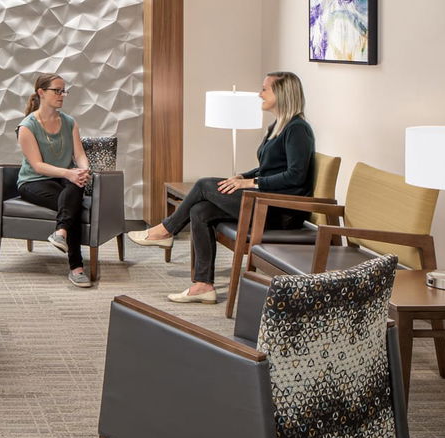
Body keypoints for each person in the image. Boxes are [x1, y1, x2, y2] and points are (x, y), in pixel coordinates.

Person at [133, 71, 313, 304]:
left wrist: (250, 183)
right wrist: (243, 176)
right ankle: (203, 285)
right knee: (200, 211)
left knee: (204, 185)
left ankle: (166, 230)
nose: (260, 94)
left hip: (280, 211)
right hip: (264, 202)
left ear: (283, 93)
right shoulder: (278, 126)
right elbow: (269, 168)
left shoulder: (298, 129)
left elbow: (296, 176)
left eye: (265, 89)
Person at [14, 72, 94, 288]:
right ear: (41, 92)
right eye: (57, 91)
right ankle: (76, 268)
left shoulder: (69, 122)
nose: (62, 95)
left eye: (63, 91)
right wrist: (70, 173)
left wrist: (83, 170)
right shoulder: (27, 127)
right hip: (33, 182)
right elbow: (38, 165)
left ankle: (60, 233)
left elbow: (79, 155)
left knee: (75, 187)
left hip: (61, 179)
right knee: (73, 201)